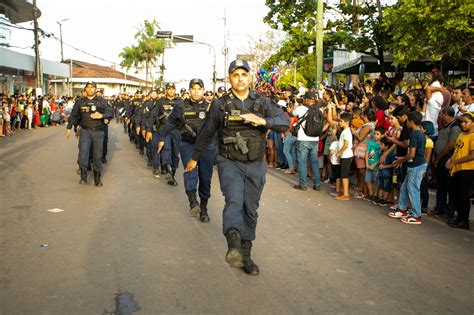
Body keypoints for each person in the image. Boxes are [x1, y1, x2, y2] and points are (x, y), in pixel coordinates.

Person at [185, 59, 290, 275]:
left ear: (250, 77)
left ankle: (246, 254)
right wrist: (194, 158)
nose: (240, 79)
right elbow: (206, 133)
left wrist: (263, 122)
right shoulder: (220, 104)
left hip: (256, 164)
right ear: (230, 78)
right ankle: (233, 244)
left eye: (244, 74)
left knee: (250, 209)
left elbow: (284, 121)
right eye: (235, 75)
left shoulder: (262, 103)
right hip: (229, 161)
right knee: (234, 200)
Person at [159, 78, 216, 222]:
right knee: (190, 172)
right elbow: (170, 122)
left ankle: (204, 208)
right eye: (193, 88)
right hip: (188, 144)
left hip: (206, 147)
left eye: (199, 88)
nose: (196, 91)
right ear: (189, 90)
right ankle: (192, 201)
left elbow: (218, 128)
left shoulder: (211, 107)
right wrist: (161, 138)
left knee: (205, 178)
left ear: (203, 90)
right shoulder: (181, 106)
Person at [66, 81, 114, 186]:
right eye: (88, 87)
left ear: (96, 89)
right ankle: (83, 177)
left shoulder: (102, 101)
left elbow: (111, 112)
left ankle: (97, 178)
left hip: (98, 132)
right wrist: (69, 127)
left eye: (93, 87)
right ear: (85, 89)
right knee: (83, 154)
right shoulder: (80, 101)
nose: (91, 89)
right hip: (85, 131)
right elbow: (74, 115)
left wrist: (101, 115)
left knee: (97, 155)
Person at [388, 111, 426, 225]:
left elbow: (411, 154)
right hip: (414, 165)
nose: (406, 123)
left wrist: (400, 160)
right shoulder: (419, 133)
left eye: (408, 121)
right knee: (405, 188)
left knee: (413, 190)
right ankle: (402, 209)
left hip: (416, 165)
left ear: (412, 122)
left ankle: (416, 215)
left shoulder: (415, 134)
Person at [445, 112, 474, 230]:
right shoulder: (461, 134)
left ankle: (464, 220)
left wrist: (455, 162)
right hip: (456, 169)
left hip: (466, 169)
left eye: (466, 122)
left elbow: (472, 155)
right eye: (461, 121)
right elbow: (457, 150)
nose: (463, 124)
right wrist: (450, 159)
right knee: (455, 194)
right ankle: (459, 218)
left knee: (463, 196)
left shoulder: (473, 136)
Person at [292, 92, 322, 191]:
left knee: (302, 162)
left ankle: (303, 184)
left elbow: (292, 113)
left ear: (306, 99)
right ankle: (317, 184)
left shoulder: (300, 109)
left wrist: (296, 104)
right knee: (314, 162)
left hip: (303, 139)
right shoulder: (319, 110)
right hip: (315, 139)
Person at [335, 112, 354, 201]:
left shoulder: (346, 132)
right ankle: (344, 192)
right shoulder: (345, 131)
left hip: (346, 155)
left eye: (341, 121)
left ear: (347, 122)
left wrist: (339, 153)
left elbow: (346, 145)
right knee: (343, 174)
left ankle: (346, 194)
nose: (339, 122)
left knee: (344, 175)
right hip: (345, 155)